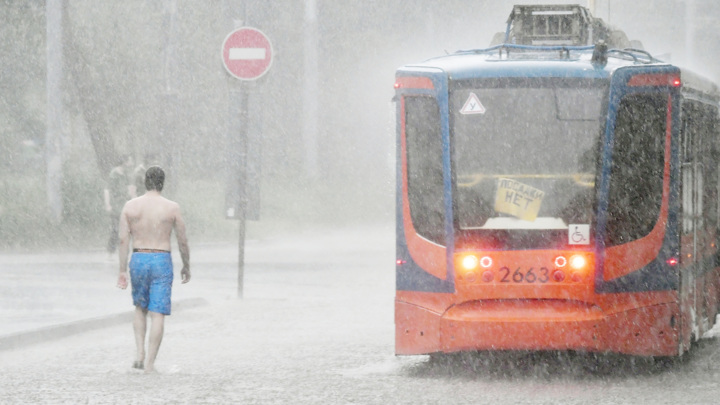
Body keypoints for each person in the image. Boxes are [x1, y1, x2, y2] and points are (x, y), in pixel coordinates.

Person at [115, 166, 191, 373]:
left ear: (145, 182)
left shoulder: (130, 207)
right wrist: (186, 265)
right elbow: (182, 240)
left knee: (140, 308)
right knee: (157, 314)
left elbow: (123, 240)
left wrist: (122, 269)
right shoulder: (172, 208)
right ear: (162, 183)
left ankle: (139, 354)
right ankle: (150, 364)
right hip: (161, 258)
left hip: (138, 257)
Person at [104, 154, 135, 257]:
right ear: (125, 162)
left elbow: (130, 189)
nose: (131, 163)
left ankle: (124, 250)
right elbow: (107, 190)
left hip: (125, 205)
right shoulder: (114, 174)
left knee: (126, 229)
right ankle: (110, 251)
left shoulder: (126, 174)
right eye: (130, 161)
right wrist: (108, 204)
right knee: (115, 229)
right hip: (116, 206)